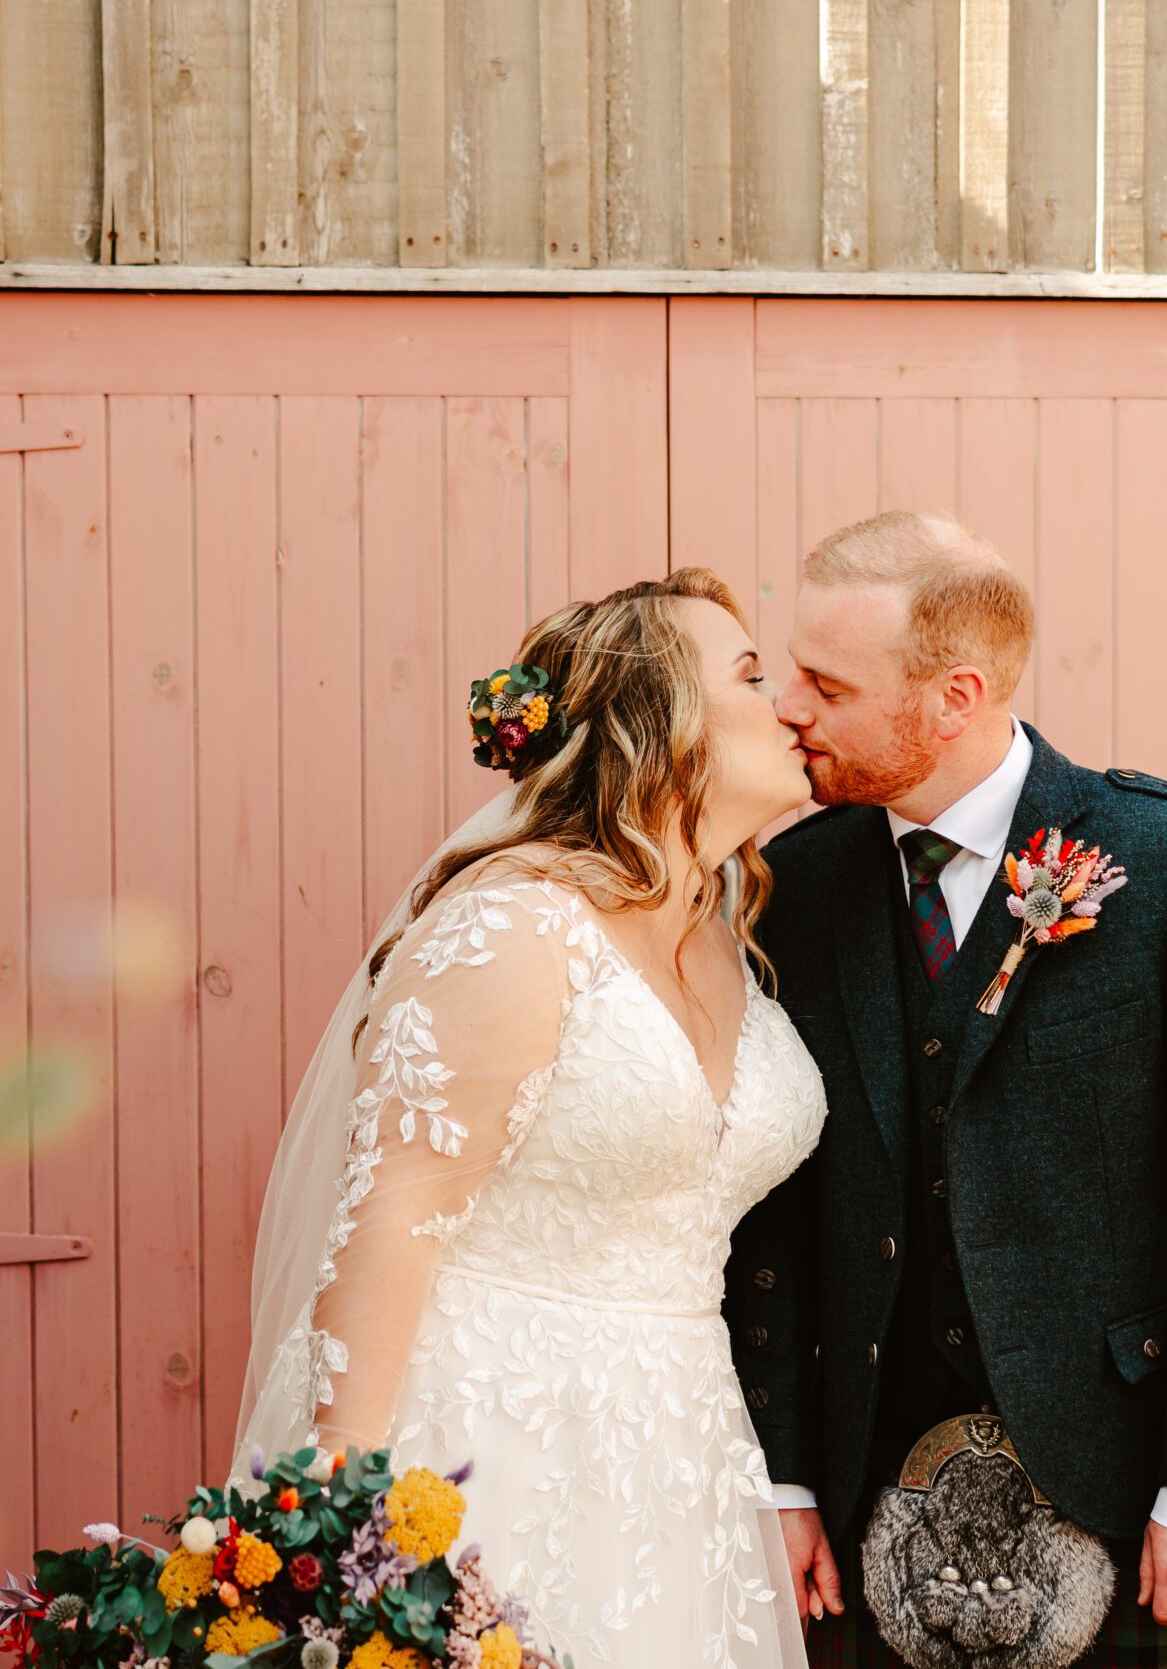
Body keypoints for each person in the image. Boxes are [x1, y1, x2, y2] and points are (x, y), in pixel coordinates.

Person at [729, 511, 1167, 1669]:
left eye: (826, 684)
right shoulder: (794, 881)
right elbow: (771, 1207)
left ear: (955, 694)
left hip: (1130, 1480)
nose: (790, 707)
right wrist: (780, 1470)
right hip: (858, 1498)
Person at [235, 568, 827, 1669]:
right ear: (660, 724)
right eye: (749, 676)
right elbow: (391, 1219)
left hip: (677, 1445)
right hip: (483, 1432)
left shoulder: (730, 927)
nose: (789, 702)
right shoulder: (513, 928)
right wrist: (336, 1518)